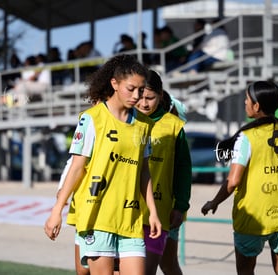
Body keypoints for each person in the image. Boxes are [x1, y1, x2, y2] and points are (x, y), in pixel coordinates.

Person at [44, 54, 162, 275]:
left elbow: (144, 172)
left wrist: (153, 212)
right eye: (131, 88)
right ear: (114, 84)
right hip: (97, 218)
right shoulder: (91, 119)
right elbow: (76, 167)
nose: (137, 96)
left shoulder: (144, 125)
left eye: (141, 89)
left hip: (131, 219)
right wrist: (57, 210)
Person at [201, 81, 278, 275]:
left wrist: (214, 202)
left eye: (247, 99)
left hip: (253, 215)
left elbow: (233, 181)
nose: (244, 102)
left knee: (246, 271)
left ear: (256, 106)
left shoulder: (247, 137)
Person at [136, 70, 192, 275]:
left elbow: (184, 169)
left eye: (149, 98)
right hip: (127, 211)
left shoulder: (174, 126)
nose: (143, 103)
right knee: (167, 264)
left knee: (156, 268)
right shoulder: (125, 120)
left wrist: (181, 205)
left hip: (162, 210)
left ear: (160, 95)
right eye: (139, 97)